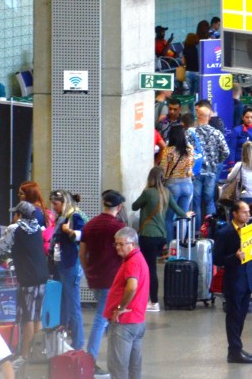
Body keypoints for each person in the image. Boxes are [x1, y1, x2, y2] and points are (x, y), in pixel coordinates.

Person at [0, 202, 49, 362]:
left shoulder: (15, 228)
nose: (13, 217)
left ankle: (26, 356)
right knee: (37, 316)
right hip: (42, 276)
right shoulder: (37, 227)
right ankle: (38, 353)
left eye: (15, 213)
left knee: (27, 317)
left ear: (19, 215)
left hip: (28, 278)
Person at [132, 167, 192, 312]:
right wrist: (186, 214)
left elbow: (134, 206)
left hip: (148, 235)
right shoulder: (166, 193)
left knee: (148, 269)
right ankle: (150, 299)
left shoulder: (148, 193)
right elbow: (178, 210)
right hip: (161, 236)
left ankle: (153, 301)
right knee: (151, 268)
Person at [80, 190, 126, 366]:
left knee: (108, 318)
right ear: (119, 207)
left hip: (95, 278)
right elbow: (124, 254)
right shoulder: (118, 228)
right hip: (112, 279)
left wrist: (88, 272)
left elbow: (82, 253)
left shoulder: (90, 225)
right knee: (102, 319)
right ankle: (90, 360)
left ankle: (113, 357)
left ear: (103, 203)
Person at [215, 201, 252, 364]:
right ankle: (234, 351)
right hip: (234, 282)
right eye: (244, 212)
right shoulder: (225, 233)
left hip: (248, 280)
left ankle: (236, 349)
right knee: (233, 317)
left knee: (241, 317)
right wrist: (233, 257)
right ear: (234, 213)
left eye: (249, 212)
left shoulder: (249, 230)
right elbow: (217, 259)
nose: (248, 215)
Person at [104, 227, 149, 379]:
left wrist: (120, 308)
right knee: (133, 368)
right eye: (116, 244)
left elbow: (132, 286)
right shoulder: (138, 258)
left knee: (118, 368)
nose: (117, 247)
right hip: (136, 321)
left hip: (124, 324)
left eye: (121, 244)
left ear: (133, 244)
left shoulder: (132, 262)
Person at [48, 190, 86, 348]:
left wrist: (69, 232)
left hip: (70, 265)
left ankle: (77, 344)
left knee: (72, 306)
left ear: (64, 203)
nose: (54, 207)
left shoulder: (75, 216)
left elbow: (84, 235)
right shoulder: (62, 216)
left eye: (56, 204)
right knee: (63, 304)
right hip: (61, 264)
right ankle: (62, 340)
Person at [193, 101, 230, 228]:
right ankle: (211, 229)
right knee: (209, 201)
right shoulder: (216, 133)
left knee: (196, 202)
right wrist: (216, 161)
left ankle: (197, 231)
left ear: (198, 117)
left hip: (196, 172)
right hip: (211, 172)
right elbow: (226, 151)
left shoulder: (191, 133)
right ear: (209, 117)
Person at [159, 125, 194, 244]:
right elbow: (191, 166)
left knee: (168, 217)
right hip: (188, 184)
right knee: (183, 217)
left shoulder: (168, 150)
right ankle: (181, 246)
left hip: (173, 185)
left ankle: (171, 247)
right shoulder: (189, 149)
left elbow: (163, 169)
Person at [226, 141, 252, 207]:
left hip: (244, 197)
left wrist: (232, 172)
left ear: (243, 152)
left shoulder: (239, 165)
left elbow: (229, 179)